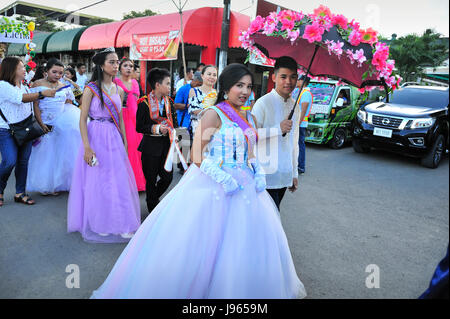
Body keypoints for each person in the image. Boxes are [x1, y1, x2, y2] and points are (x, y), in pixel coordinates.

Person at [90, 63, 306, 299]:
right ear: (226, 88)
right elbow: (196, 155)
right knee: (200, 245)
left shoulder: (250, 116)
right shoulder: (214, 114)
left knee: (243, 246)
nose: (244, 91)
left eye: (248, 86)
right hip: (212, 183)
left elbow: (251, 151)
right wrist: (223, 178)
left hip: (246, 186)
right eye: (239, 85)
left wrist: (257, 170)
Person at [67, 47, 141, 243]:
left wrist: (124, 141)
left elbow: (121, 120)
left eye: (117, 62)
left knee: (117, 180)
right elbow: (82, 119)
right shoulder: (91, 88)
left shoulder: (118, 89)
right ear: (101, 65)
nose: (116, 66)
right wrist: (87, 147)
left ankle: (122, 222)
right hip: (96, 136)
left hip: (114, 137)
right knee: (99, 181)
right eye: (112, 62)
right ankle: (100, 223)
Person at [0, 57, 56, 207]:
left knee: (23, 162)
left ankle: (20, 193)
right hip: (7, 129)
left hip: (25, 128)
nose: (24, 69)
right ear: (11, 70)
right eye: (21, 67)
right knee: (9, 161)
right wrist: (42, 93)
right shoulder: (3, 85)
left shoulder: (23, 84)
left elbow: (31, 103)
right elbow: (21, 99)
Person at [26, 58, 82, 195]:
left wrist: (73, 86)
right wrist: (41, 123)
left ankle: (59, 183)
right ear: (46, 71)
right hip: (44, 123)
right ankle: (46, 185)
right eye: (54, 72)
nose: (57, 75)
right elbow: (36, 106)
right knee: (45, 155)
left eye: (60, 73)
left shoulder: (64, 85)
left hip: (62, 122)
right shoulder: (37, 85)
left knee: (61, 154)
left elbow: (70, 101)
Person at [251, 56, 300, 211]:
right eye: (283, 77)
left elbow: (294, 142)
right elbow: (250, 136)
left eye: (293, 77)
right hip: (264, 174)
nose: (288, 82)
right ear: (274, 77)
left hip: (284, 173)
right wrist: (278, 129)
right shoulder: (263, 103)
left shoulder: (295, 107)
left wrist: (294, 172)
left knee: (273, 217)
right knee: (270, 219)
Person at [136, 68, 178, 214]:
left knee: (167, 177)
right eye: (167, 83)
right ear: (157, 85)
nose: (170, 86)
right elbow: (139, 127)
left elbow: (175, 123)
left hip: (166, 146)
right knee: (151, 178)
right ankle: (152, 206)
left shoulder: (169, 102)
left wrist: (176, 136)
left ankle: (153, 198)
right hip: (150, 147)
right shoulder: (144, 103)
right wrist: (158, 129)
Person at [114, 57, 146, 191]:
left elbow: (138, 101)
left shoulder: (135, 82)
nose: (128, 68)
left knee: (138, 150)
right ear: (120, 68)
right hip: (123, 118)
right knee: (127, 148)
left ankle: (137, 181)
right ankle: (124, 182)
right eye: (125, 65)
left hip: (136, 119)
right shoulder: (115, 81)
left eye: (131, 66)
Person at [173, 71, 203, 173]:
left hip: (195, 123)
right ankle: (182, 167)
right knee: (184, 145)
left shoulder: (201, 91)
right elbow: (176, 105)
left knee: (191, 146)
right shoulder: (183, 89)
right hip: (183, 121)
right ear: (196, 80)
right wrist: (189, 106)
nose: (200, 86)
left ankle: (189, 167)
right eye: (199, 84)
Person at [188, 65, 218, 134]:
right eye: (209, 74)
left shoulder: (217, 94)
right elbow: (195, 110)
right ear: (202, 76)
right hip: (197, 130)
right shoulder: (194, 91)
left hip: (214, 131)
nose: (212, 77)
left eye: (214, 75)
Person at [296, 74, 313, 175]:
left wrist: (297, 124)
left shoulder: (306, 93)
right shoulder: (303, 92)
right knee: (298, 145)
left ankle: (301, 166)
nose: (297, 81)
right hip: (300, 123)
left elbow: (303, 110)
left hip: (301, 124)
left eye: (298, 80)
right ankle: (299, 165)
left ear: (303, 81)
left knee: (300, 145)